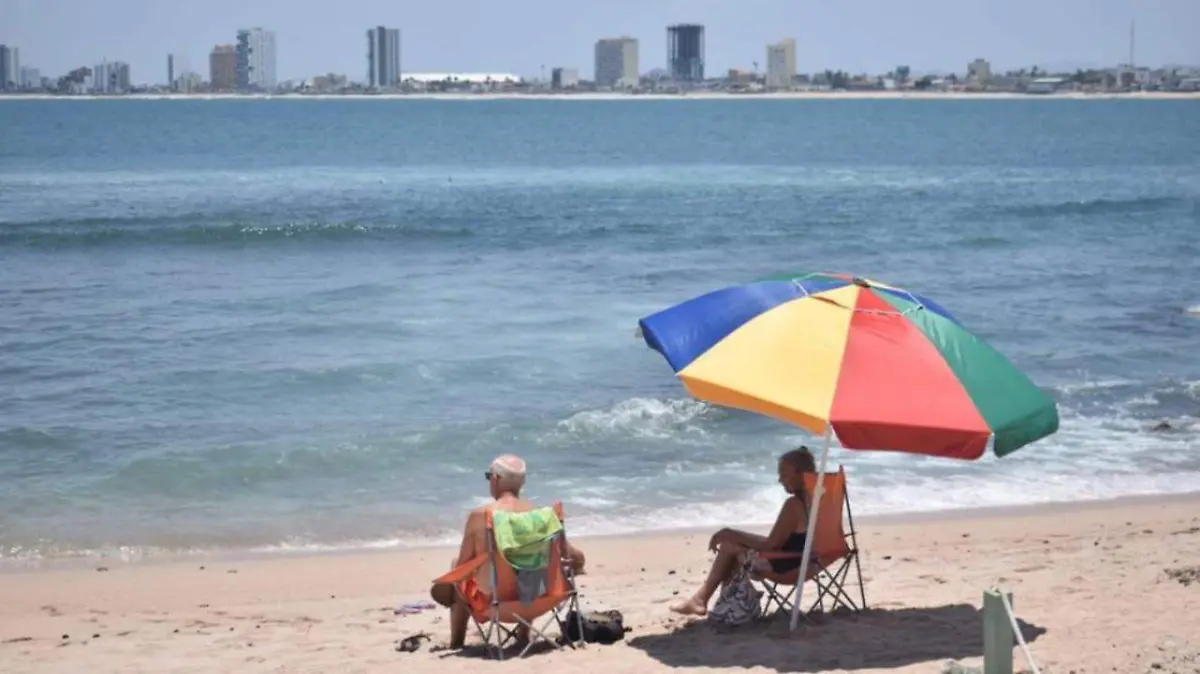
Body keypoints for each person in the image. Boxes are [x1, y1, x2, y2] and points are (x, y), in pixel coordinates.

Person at [438, 454, 586, 650]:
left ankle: (456, 642)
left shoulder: (480, 516)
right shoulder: (542, 516)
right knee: (530, 567)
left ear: (496, 479)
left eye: (488, 476)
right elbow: (575, 557)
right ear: (522, 482)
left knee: (456, 565)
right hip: (540, 600)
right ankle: (523, 636)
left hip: (497, 604)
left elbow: (463, 567)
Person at [670, 446, 816, 616]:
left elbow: (770, 545)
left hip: (787, 566)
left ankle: (710, 602)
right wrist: (735, 534)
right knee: (733, 541)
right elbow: (781, 541)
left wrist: (730, 533)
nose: (780, 480)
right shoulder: (821, 500)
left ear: (801, 474)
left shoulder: (794, 505)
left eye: (784, 474)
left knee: (729, 545)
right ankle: (714, 603)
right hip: (812, 561)